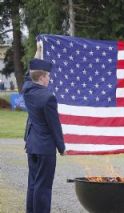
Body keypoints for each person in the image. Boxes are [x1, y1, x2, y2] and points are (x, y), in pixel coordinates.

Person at [22, 58, 66, 213]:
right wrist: (62, 147)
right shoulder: (48, 98)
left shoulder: (27, 89)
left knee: (33, 183)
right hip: (45, 148)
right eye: (47, 76)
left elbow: (29, 76)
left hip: (32, 145)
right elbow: (54, 126)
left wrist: (38, 54)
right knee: (44, 187)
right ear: (41, 78)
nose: (49, 79)